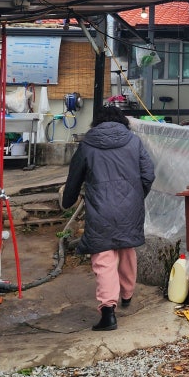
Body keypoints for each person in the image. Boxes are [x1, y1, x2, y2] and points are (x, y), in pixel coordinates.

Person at [62, 105, 155, 331]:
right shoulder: (134, 142)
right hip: (130, 206)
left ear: (97, 123)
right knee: (126, 248)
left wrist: (68, 200)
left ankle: (108, 313)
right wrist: (136, 195)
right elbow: (148, 174)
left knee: (104, 257)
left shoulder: (87, 145)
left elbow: (74, 177)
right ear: (122, 121)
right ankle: (127, 294)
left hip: (100, 207)